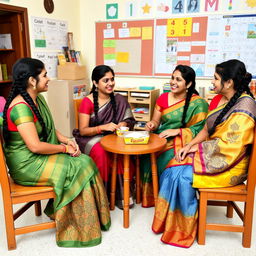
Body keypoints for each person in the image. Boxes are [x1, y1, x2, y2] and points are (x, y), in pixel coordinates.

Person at [2, 58, 110, 247]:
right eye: (44, 75)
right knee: (77, 167)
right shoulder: (21, 108)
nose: (49, 78)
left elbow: (47, 129)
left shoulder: (37, 99)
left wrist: (67, 139)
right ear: (31, 81)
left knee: (84, 161)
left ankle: (83, 219)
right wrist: (64, 149)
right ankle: (74, 224)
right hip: (27, 164)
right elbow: (35, 146)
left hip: (37, 156)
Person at [152, 59, 256, 248]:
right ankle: (169, 224)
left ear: (229, 82)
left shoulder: (246, 105)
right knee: (172, 166)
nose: (212, 83)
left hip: (231, 164)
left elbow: (231, 148)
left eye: (216, 79)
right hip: (214, 154)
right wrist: (189, 145)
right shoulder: (220, 99)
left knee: (180, 176)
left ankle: (183, 229)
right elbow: (207, 130)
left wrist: (196, 151)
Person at [140, 65, 208, 207]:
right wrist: (152, 124)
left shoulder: (198, 104)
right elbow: (156, 121)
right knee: (145, 155)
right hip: (161, 136)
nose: (173, 82)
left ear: (188, 84)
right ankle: (150, 196)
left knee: (166, 158)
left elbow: (201, 131)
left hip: (184, 142)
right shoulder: (163, 98)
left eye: (178, 79)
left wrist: (178, 131)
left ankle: (165, 197)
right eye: (172, 78)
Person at [73, 65, 135, 209]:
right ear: (95, 83)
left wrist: (123, 123)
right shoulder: (87, 102)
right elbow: (83, 130)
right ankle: (103, 196)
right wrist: (102, 127)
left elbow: (129, 120)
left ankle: (122, 194)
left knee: (124, 152)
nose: (110, 83)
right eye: (105, 80)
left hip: (114, 137)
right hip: (91, 138)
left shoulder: (119, 99)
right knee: (102, 153)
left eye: (112, 79)